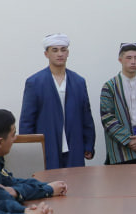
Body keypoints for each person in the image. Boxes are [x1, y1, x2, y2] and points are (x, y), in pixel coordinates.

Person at [20, 33, 95, 169]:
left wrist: (88, 144)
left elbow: (86, 116)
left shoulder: (78, 82)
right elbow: (27, 120)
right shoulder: (35, 82)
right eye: (54, 50)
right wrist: (28, 149)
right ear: (46, 54)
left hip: (74, 146)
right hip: (47, 146)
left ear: (68, 53)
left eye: (63, 50)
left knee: (76, 180)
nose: (60, 54)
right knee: (48, 181)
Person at [0, 109, 66, 201]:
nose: (15, 138)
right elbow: (5, 195)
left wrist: (46, 186)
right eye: (13, 135)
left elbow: (12, 182)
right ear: (0, 142)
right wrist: (48, 190)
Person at [100, 42, 136, 165]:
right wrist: (128, 140)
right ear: (120, 60)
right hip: (119, 149)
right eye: (129, 58)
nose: (133, 62)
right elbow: (107, 117)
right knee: (120, 178)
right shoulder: (110, 86)